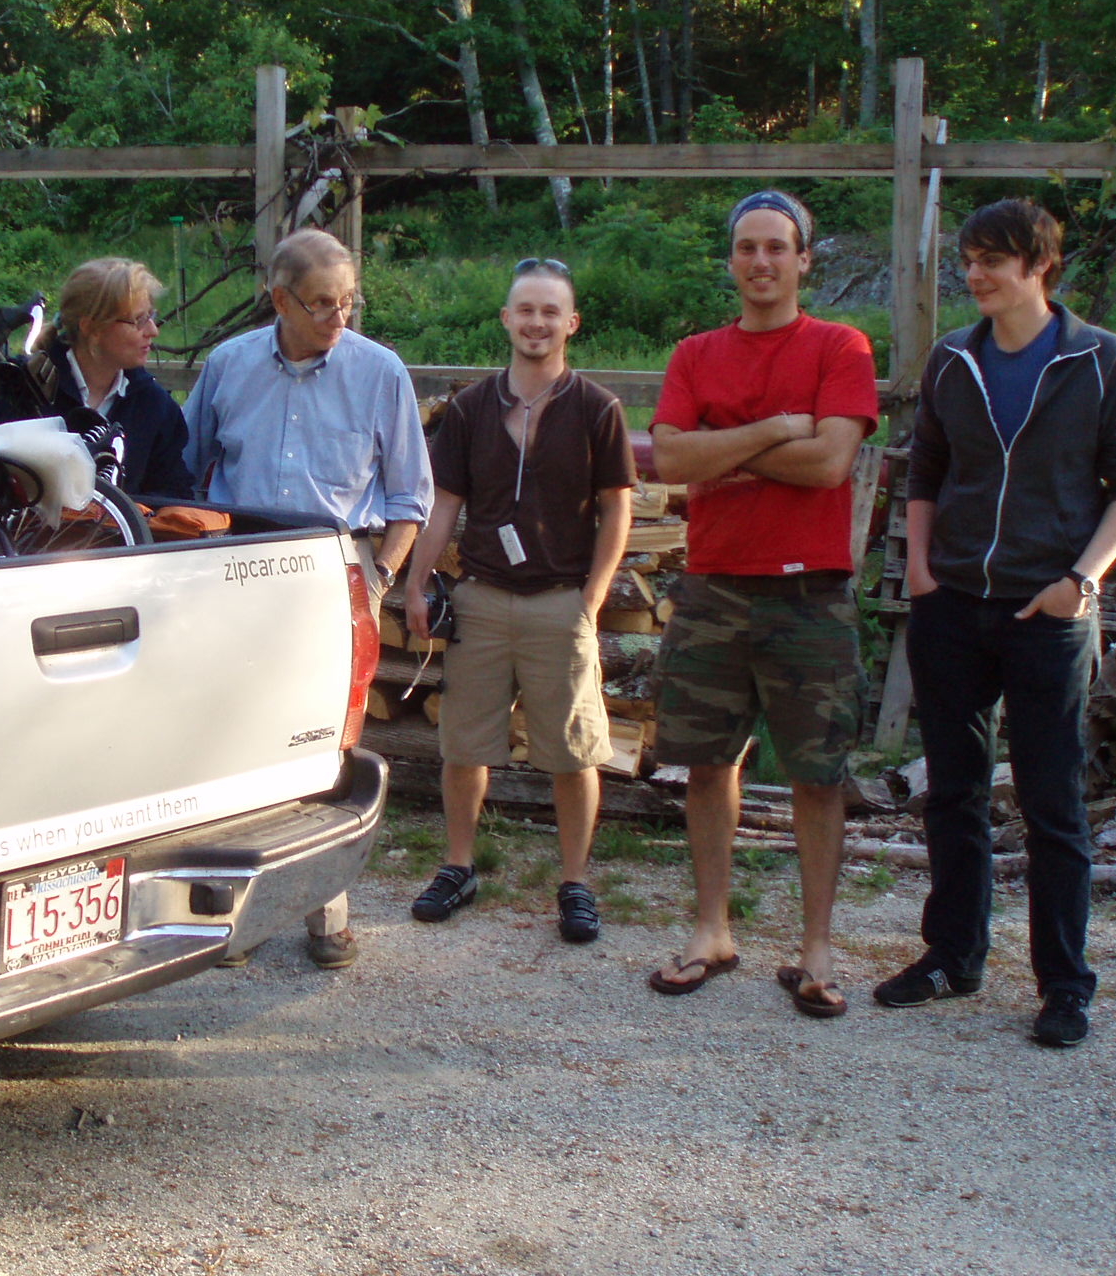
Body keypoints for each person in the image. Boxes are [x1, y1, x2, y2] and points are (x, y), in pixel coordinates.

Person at [875, 199, 1116, 1048]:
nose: (976, 273)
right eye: (969, 259)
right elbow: (924, 470)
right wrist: (921, 573)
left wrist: (1081, 581)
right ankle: (953, 956)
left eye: (993, 259)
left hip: (1050, 611)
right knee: (952, 792)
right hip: (953, 605)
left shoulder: (1100, 361)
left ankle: (1065, 985)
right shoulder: (954, 358)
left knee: (1052, 803)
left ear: (1040, 265)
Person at [646, 189, 878, 1019]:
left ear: (804, 259)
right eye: (747, 248)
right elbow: (670, 457)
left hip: (809, 591)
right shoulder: (695, 354)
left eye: (778, 248)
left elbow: (829, 465)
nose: (761, 262)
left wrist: (729, 453)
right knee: (708, 765)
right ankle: (712, 929)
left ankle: (816, 950)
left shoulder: (839, 345)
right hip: (713, 586)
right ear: (732, 258)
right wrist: (782, 425)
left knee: (819, 774)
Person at [184, 227, 434, 969]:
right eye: (321, 303)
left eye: (347, 302)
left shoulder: (380, 372)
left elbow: (409, 497)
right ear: (279, 300)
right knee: (226, 736)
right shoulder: (228, 367)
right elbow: (191, 466)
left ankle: (327, 914)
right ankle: (227, 916)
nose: (338, 318)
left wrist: (381, 576)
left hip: (335, 565)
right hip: (237, 562)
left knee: (328, 740)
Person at [402, 258, 635, 943]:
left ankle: (575, 882)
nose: (536, 322)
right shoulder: (471, 409)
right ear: (505, 319)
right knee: (464, 748)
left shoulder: (598, 409)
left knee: (572, 752)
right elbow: (445, 504)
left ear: (571, 323)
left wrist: (591, 600)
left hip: (561, 601)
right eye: (524, 310)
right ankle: (458, 866)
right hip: (481, 599)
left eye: (549, 311)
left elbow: (617, 510)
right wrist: (417, 582)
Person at [0, 258, 192, 498]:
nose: (153, 330)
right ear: (91, 327)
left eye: (151, 316)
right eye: (139, 320)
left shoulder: (156, 407)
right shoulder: (22, 387)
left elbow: (172, 497)